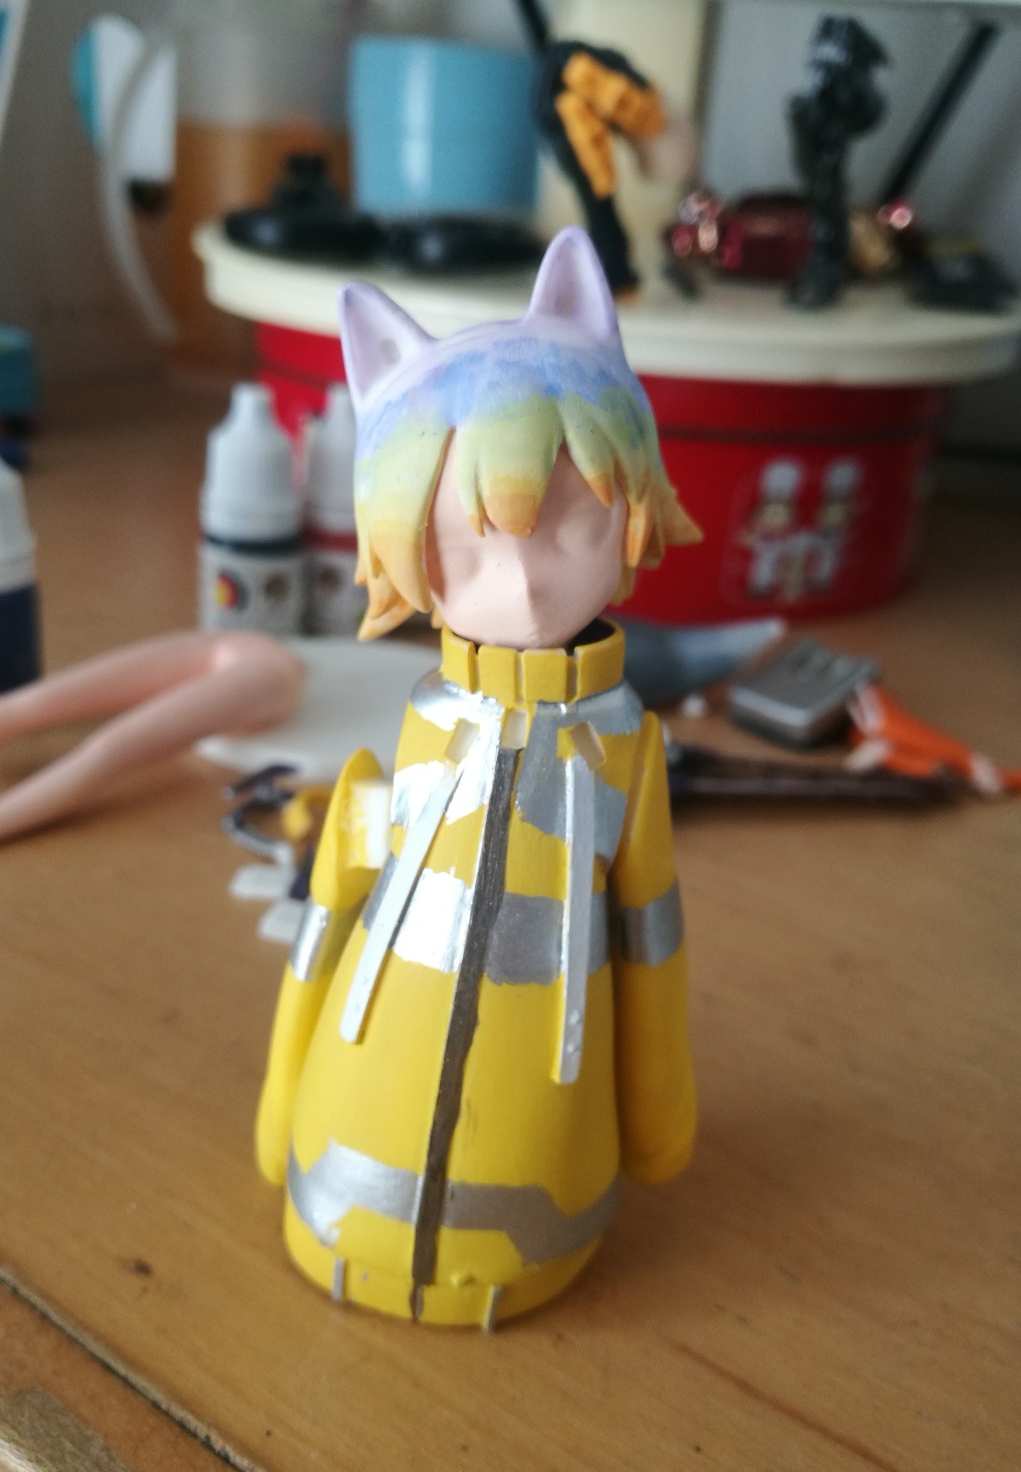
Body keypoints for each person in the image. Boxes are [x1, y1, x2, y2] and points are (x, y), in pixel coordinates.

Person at [255, 229, 700, 1327]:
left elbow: (649, 938)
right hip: (350, 1124)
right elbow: (331, 923)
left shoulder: (626, 748)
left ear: (630, 507)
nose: (525, 584)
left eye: (573, 527)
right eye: (464, 549)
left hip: (546, 1154)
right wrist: (281, 1094)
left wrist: (657, 1111)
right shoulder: (418, 725)